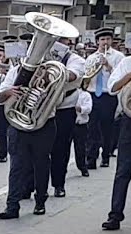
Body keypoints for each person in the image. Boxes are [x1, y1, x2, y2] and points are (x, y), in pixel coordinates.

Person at [0, 32, 71, 220]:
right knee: (17, 166)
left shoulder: (54, 72)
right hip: (18, 124)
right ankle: (12, 206)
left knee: (41, 163)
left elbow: (59, 100)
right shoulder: (16, 71)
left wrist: (42, 95)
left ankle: (40, 201)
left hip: (43, 123)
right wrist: (9, 92)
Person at [101, 18, 131, 231]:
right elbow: (112, 87)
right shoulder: (128, 62)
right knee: (123, 168)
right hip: (130, 119)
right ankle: (115, 214)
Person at [49, 39, 89, 199]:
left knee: (60, 148)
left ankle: (59, 184)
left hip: (64, 109)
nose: (58, 42)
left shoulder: (76, 60)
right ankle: (30, 185)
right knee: (36, 149)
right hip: (41, 107)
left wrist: (49, 68)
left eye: (62, 39)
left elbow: (71, 76)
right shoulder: (43, 56)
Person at [87, 28, 119, 169]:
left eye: (108, 39)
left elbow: (120, 76)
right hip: (93, 94)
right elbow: (87, 75)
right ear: (97, 42)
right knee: (92, 128)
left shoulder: (118, 57)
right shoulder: (91, 57)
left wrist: (107, 65)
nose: (105, 42)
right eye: (102, 39)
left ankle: (105, 155)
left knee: (107, 127)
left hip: (108, 95)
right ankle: (91, 158)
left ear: (111, 40)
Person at [73, 86, 92, 178]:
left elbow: (88, 108)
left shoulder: (85, 95)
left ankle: (83, 167)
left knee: (81, 148)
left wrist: (79, 108)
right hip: (69, 123)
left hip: (81, 124)